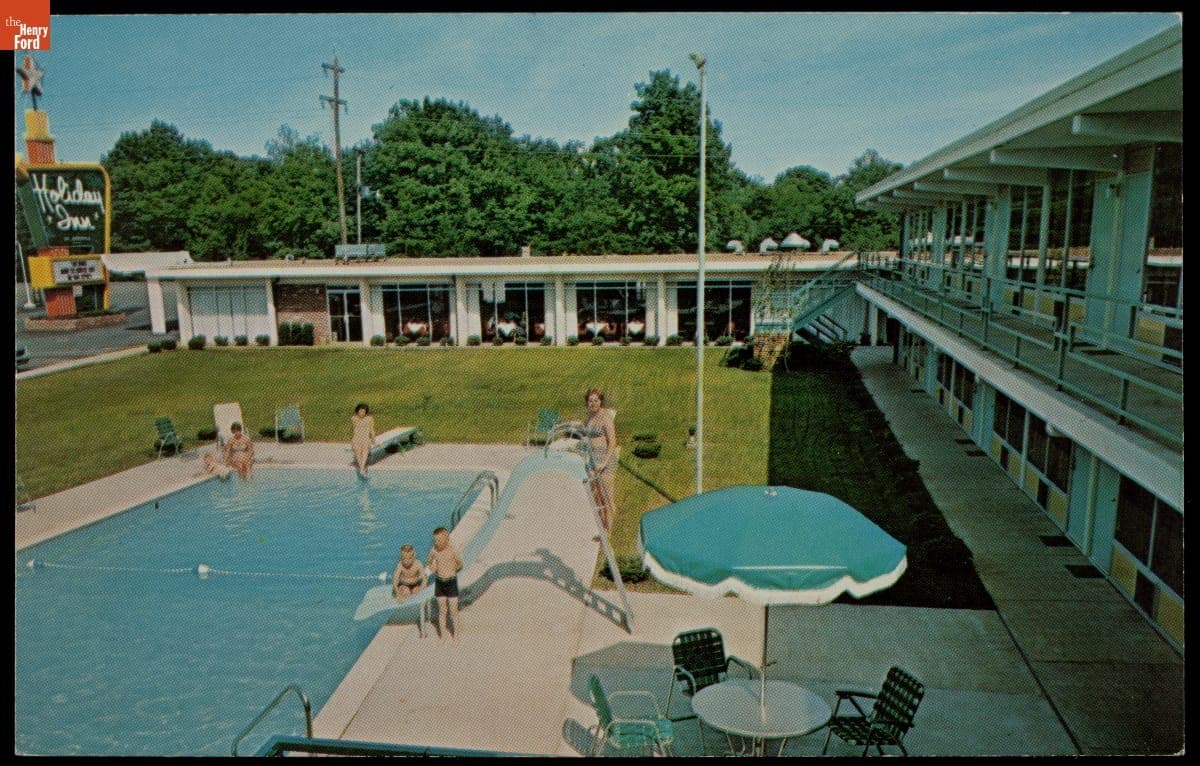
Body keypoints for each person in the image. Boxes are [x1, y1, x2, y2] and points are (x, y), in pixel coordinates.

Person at [582, 388, 617, 541]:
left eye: (596, 400)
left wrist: (604, 462)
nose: (593, 403)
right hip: (592, 461)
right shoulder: (590, 417)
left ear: (601, 401)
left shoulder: (605, 418)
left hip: (605, 461)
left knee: (606, 497)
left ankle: (608, 533)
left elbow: (613, 442)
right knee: (596, 497)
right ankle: (603, 528)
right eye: (590, 401)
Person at [426, 526, 463, 644]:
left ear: (447, 539)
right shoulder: (434, 550)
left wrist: (453, 570)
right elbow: (428, 561)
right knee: (442, 610)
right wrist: (433, 568)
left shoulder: (453, 550)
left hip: (451, 582)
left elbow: (460, 563)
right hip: (440, 583)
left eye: (440, 540)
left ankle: (456, 636)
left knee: (453, 611)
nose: (437, 543)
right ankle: (442, 636)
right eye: (435, 540)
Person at [350, 402, 375, 478]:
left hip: (365, 438)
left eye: (364, 411)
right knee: (358, 452)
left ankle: (361, 468)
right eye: (360, 411)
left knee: (364, 452)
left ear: (366, 412)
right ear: (357, 411)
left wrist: (373, 438)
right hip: (356, 438)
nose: (362, 413)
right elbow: (354, 429)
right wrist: (352, 438)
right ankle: (362, 468)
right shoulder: (354, 418)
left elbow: (371, 430)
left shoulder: (369, 419)